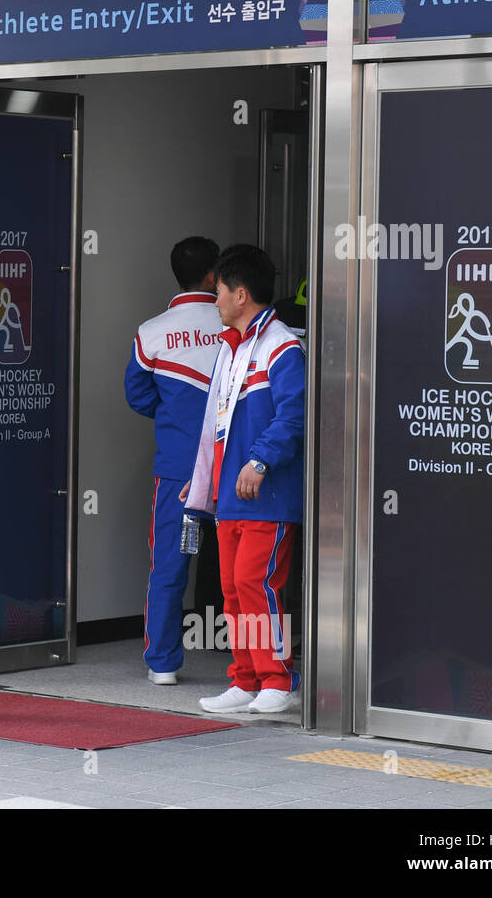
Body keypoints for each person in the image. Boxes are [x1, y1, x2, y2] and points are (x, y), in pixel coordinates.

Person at [182, 245, 305, 715]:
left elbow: (294, 417)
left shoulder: (282, 345)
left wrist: (259, 462)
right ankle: (246, 678)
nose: (214, 302)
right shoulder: (229, 349)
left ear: (241, 294)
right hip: (230, 496)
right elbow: (217, 422)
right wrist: (202, 480)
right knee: (234, 589)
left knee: (257, 583)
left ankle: (279, 678)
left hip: (267, 494)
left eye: (218, 294)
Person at [124, 236, 222, 685]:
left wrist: (174, 418)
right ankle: (253, 670)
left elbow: (138, 396)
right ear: (213, 276)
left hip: (178, 471)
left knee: (171, 562)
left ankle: (162, 662)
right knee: (246, 569)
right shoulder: (238, 323)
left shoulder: (152, 331)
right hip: (234, 468)